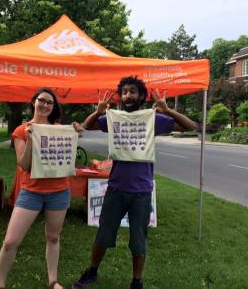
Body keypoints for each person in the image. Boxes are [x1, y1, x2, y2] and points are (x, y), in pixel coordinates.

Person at [73, 76, 197, 289]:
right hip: (116, 188)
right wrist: (99, 110)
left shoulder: (153, 119)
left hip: (141, 192)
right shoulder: (115, 118)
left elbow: (190, 125)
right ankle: (92, 271)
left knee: (139, 241)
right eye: (124, 92)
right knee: (103, 235)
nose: (128, 95)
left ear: (141, 96)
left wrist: (167, 110)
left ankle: (136, 281)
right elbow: (86, 125)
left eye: (132, 91)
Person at [0, 87, 82, 289]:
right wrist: (31, 139)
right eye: (42, 100)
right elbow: (24, 165)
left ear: (53, 108)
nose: (45, 105)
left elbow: (65, 158)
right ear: (34, 102)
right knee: (10, 242)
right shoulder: (21, 130)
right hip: (31, 192)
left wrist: (76, 133)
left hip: (59, 191)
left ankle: (53, 281)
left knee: (53, 237)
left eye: (50, 103)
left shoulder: (59, 129)